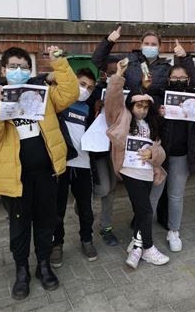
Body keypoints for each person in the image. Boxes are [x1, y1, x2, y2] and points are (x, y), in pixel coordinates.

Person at [0, 46, 79, 300]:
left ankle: (43, 265)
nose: (18, 71)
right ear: (3, 70)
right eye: (13, 67)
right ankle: (21, 270)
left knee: (46, 222)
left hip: (46, 174)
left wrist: (59, 62)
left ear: (29, 70)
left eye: (23, 67)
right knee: (20, 227)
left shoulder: (42, 94)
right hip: (15, 179)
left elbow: (71, 93)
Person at [105, 59, 169, 269]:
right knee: (146, 210)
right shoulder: (121, 118)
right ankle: (149, 248)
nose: (141, 109)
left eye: (145, 106)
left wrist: (152, 152)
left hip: (147, 171)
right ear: (131, 105)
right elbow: (112, 101)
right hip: (129, 170)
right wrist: (118, 76)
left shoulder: (152, 124)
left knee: (141, 211)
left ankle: (137, 246)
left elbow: (159, 149)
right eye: (138, 105)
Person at [151, 66, 195, 252]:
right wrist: (158, 115)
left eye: (182, 77)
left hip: (182, 156)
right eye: (175, 77)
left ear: (188, 79)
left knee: (176, 196)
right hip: (161, 155)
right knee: (153, 196)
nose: (178, 80)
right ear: (169, 79)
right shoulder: (160, 97)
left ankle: (173, 231)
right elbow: (149, 126)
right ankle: (142, 232)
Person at [50, 68, 98, 267]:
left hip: (83, 165)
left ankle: (86, 240)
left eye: (90, 87)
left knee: (86, 208)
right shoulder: (58, 103)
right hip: (60, 164)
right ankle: (57, 244)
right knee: (57, 209)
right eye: (82, 84)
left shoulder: (89, 109)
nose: (85, 89)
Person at [91, 26, 195, 98]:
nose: (149, 46)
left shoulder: (166, 68)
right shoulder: (128, 59)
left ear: (159, 47)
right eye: (146, 43)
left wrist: (184, 57)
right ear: (141, 45)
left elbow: (190, 82)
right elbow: (98, 61)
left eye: (153, 44)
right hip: (130, 111)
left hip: (155, 115)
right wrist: (108, 42)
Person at [86, 56, 121, 246]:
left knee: (112, 190)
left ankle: (106, 227)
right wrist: (94, 108)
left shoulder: (124, 90)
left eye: (118, 71)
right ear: (104, 74)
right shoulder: (95, 91)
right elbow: (84, 120)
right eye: (111, 71)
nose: (115, 74)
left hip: (115, 149)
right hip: (98, 149)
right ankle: (82, 206)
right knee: (104, 187)